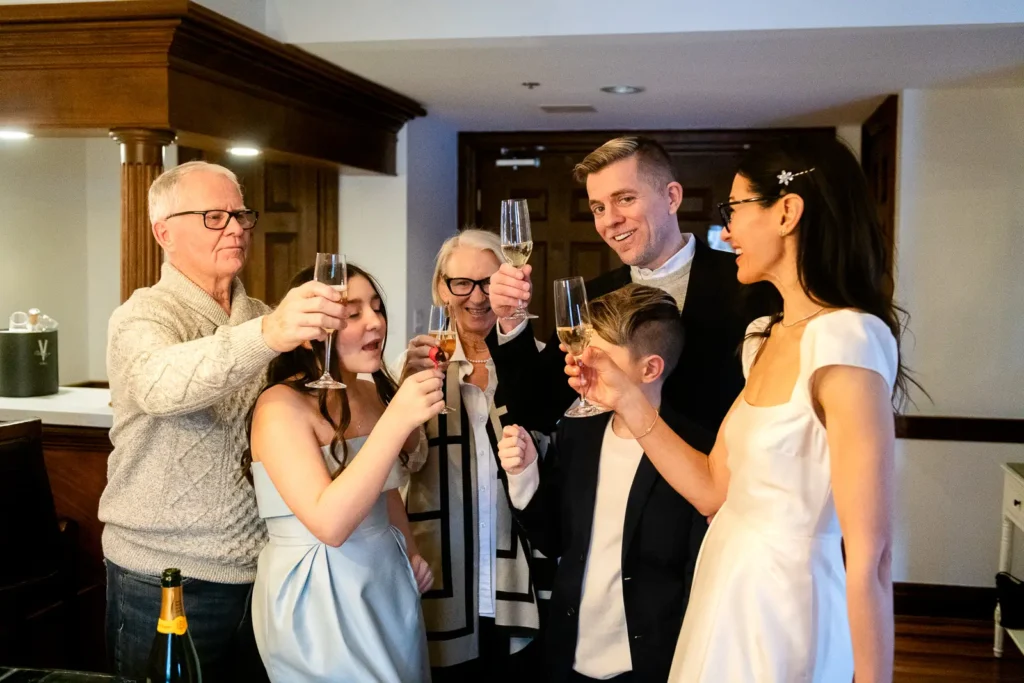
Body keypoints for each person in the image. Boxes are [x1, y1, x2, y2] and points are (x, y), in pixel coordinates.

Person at [567, 136, 907, 682]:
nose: (725, 232)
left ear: (787, 213)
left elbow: (874, 556)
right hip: (725, 587)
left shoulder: (847, 338)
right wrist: (625, 398)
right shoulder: (763, 336)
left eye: (735, 210)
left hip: (787, 605)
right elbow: (711, 488)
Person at [101, 161, 346, 682]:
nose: (236, 228)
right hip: (161, 573)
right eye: (214, 216)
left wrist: (390, 387)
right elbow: (161, 387)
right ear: (163, 232)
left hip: (263, 570)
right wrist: (270, 334)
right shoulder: (142, 316)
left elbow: (317, 408)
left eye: (240, 215)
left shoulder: (259, 315)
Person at [487, 136, 769, 440]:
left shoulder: (750, 284)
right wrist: (511, 320)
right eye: (598, 208)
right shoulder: (591, 298)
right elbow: (534, 413)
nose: (610, 220)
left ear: (672, 197)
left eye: (625, 199)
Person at [497, 284, 713, 683]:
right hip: (568, 657)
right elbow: (555, 539)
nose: (580, 365)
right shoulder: (579, 431)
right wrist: (524, 474)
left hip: (652, 663)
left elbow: (697, 580)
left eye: (599, 357)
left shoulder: (697, 454)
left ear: (650, 369)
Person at [245, 264, 442, 682]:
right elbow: (329, 525)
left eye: (377, 308)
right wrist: (397, 420)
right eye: (353, 314)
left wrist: (409, 552)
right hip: (319, 589)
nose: (375, 322)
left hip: (385, 580)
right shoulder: (279, 407)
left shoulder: (369, 393)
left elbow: (384, 487)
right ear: (312, 331)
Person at [399, 229, 549, 681]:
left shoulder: (542, 362)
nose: (478, 297)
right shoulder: (417, 367)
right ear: (441, 289)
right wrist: (403, 397)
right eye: (462, 283)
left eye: (489, 282)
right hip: (444, 578)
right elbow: (400, 467)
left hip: (522, 582)